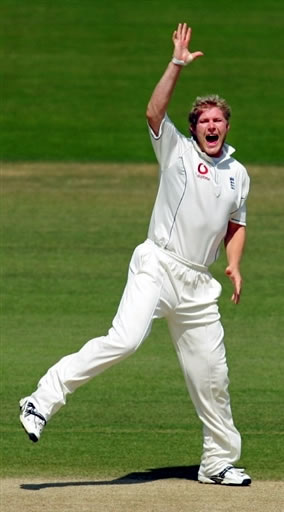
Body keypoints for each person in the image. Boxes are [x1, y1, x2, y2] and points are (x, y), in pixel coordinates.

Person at [20, 22, 251, 486]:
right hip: (157, 264)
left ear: (227, 125)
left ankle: (217, 462)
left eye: (217, 119)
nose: (211, 125)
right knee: (124, 340)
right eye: (203, 119)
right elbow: (152, 110)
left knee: (212, 376)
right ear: (193, 127)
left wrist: (234, 264)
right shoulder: (176, 152)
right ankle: (42, 399)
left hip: (196, 284)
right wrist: (176, 65)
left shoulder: (238, 174)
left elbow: (237, 223)